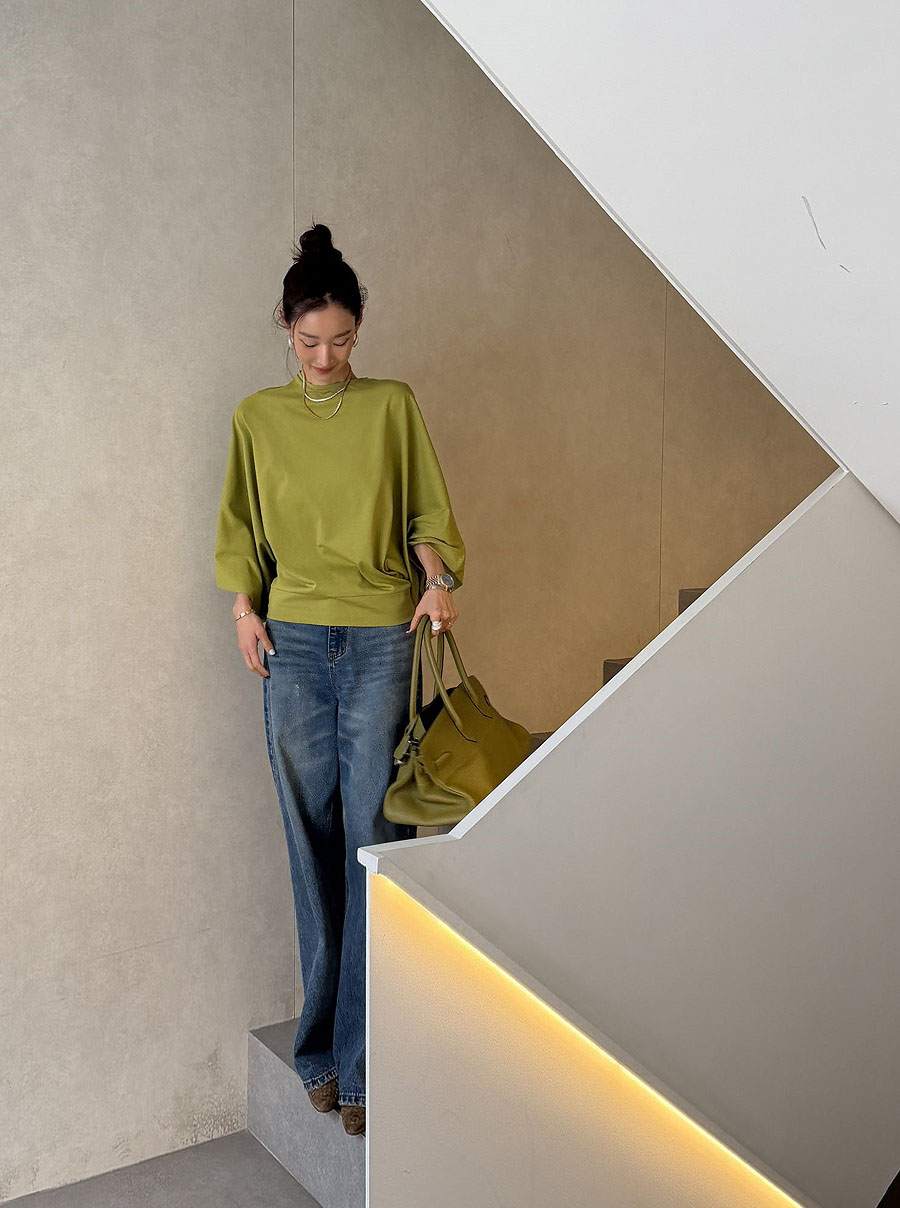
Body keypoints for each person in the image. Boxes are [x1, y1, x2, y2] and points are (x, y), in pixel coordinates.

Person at [213, 222, 466, 1138]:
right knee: (310, 844)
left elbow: (427, 509)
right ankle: (319, 1053)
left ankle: (360, 1070)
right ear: (287, 328)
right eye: (311, 341)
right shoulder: (257, 418)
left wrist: (437, 580)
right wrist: (244, 611)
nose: (327, 359)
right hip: (288, 643)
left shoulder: (391, 405)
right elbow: (240, 528)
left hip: (380, 642)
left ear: (360, 330)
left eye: (344, 341)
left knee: (374, 842)